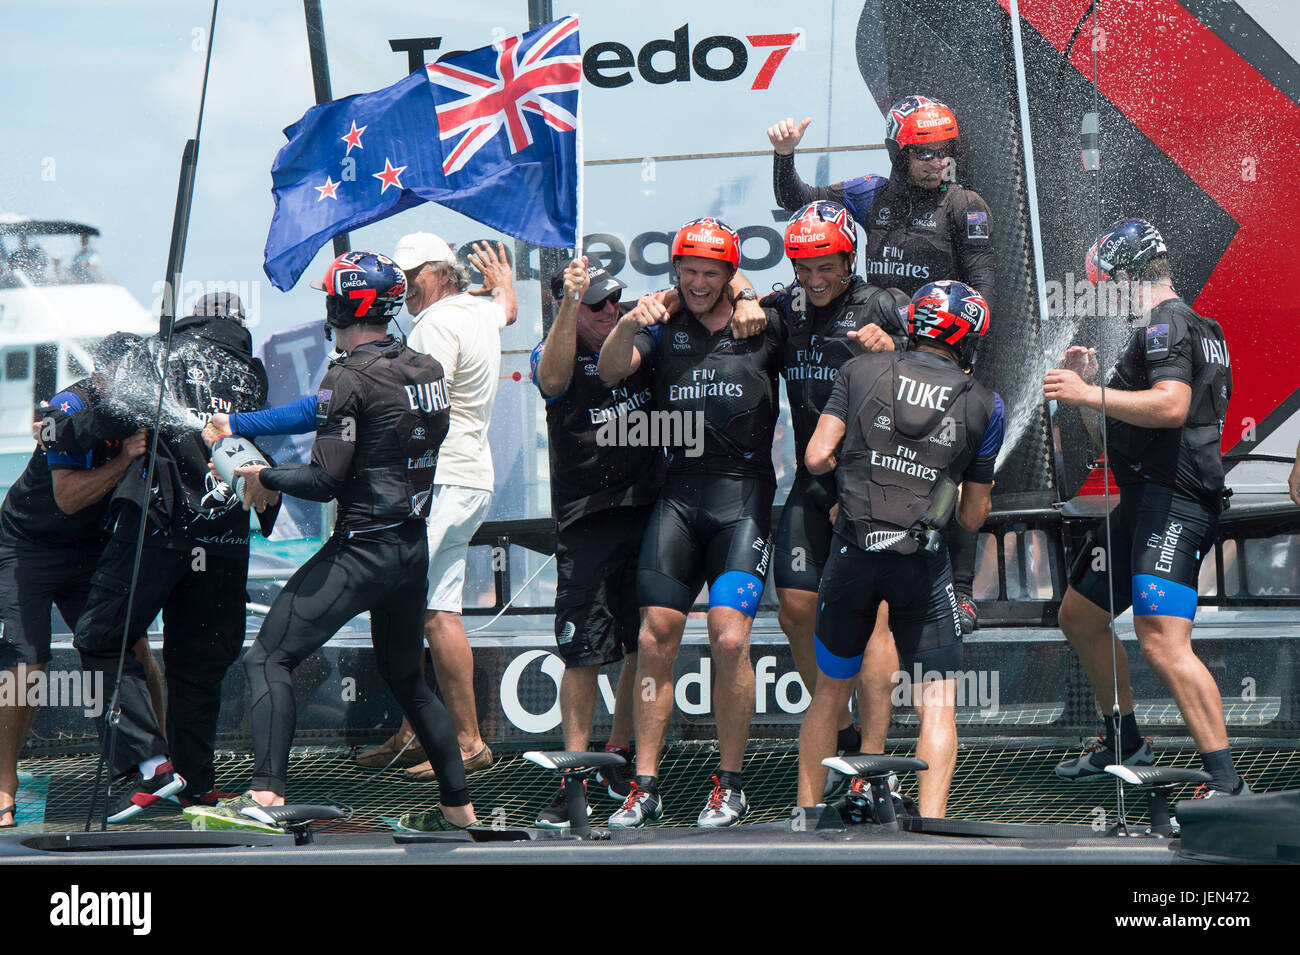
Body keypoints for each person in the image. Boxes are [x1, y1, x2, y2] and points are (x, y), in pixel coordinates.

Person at [183, 251, 478, 832]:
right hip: (409, 551)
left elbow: (323, 481)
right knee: (407, 678)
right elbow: (324, 413)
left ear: (339, 306)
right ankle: (458, 808)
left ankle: (266, 797)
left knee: (271, 656)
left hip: (362, 548)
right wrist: (238, 425)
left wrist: (258, 477)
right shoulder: (423, 368)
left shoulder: (346, 374)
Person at [767, 96, 994, 634]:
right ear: (898, 152)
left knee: (945, 473)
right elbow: (798, 199)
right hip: (883, 351)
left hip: (944, 352)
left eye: (943, 151)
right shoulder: (875, 193)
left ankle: (958, 593)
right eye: (922, 153)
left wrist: (961, 363)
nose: (936, 162)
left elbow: (984, 292)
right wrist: (785, 156)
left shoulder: (968, 206)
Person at [1044, 218, 1245, 797]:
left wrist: (1086, 391)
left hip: (1175, 504)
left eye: (1107, 283)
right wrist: (1090, 392)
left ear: (1127, 274)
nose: (1105, 296)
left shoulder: (1166, 320)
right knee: (1079, 617)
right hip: (1140, 500)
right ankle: (1123, 739)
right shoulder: (1186, 325)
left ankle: (1227, 783)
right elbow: (1120, 435)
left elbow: (1172, 405)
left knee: (1161, 639)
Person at [597, 216, 786, 828]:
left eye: (711, 272)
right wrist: (628, 320)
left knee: (730, 637)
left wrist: (752, 296)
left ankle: (729, 784)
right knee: (655, 639)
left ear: (731, 273)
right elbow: (609, 370)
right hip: (677, 498)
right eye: (689, 270)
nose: (698, 282)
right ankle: (644, 785)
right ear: (674, 269)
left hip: (743, 501)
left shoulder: (763, 319)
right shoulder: (663, 322)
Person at [797, 280, 1003, 817]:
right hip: (923, 566)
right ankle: (932, 830)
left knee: (829, 692)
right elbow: (973, 517)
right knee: (937, 703)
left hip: (852, 553)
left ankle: (802, 821)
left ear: (915, 323)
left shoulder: (859, 371)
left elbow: (818, 457)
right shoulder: (986, 403)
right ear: (968, 339)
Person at [73, 291, 271, 822]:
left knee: (100, 638)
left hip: (156, 529)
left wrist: (67, 427)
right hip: (225, 536)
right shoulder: (251, 373)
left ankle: (150, 768)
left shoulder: (159, 353)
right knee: (198, 662)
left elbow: (108, 418)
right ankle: (197, 784)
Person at [764, 201, 911, 812]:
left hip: (871, 482)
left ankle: (872, 765)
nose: (815, 277)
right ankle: (843, 727)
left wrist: (895, 342)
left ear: (851, 258)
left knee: (872, 620)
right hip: (812, 476)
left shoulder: (882, 302)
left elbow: (950, 364)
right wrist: (748, 302)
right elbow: (734, 297)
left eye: (827, 265)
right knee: (795, 608)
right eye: (804, 265)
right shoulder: (789, 304)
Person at [354, 236, 516, 782]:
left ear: (442, 273)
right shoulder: (479, 309)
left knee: (417, 606)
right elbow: (506, 312)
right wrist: (506, 287)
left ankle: (463, 741)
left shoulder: (432, 327)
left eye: (413, 274)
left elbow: (419, 398)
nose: (403, 286)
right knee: (435, 608)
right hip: (470, 476)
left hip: (440, 478)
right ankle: (426, 734)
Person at [0, 334, 163, 828]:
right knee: (27, 668)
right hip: (25, 546)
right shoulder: (69, 406)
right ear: (99, 377)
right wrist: (125, 459)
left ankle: (165, 765)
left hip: (87, 550)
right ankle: (4, 785)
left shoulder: (146, 402)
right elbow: (69, 497)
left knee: (135, 649)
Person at [526, 258, 666, 828]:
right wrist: (567, 304)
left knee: (642, 640)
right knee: (581, 651)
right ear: (571, 311)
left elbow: (690, 293)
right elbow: (553, 382)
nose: (611, 311)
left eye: (616, 301)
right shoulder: (551, 348)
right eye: (598, 305)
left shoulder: (637, 332)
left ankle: (619, 751)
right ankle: (574, 775)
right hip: (586, 518)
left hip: (649, 508)